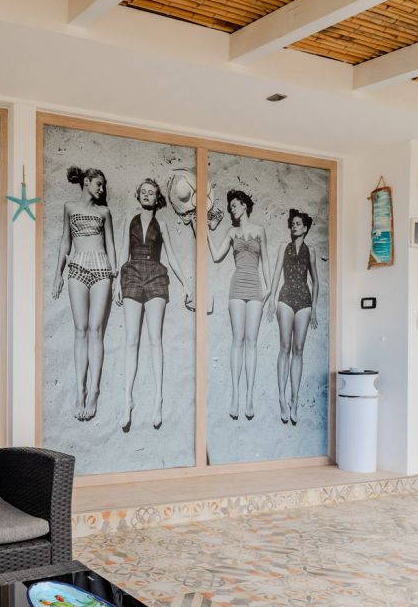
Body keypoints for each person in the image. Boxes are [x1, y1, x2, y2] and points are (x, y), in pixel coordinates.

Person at [115, 179, 193, 432]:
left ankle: (158, 398)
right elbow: (123, 251)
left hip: (156, 276)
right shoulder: (130, 219)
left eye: (151, 192)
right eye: (144, 192)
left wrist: (187, 285)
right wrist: (117, 283)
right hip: (132, 274)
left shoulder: (163, 224)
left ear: (157, 198)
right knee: (131, 340)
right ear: (138, 195)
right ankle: (127, 400)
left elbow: (172, 256)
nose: (147, 195)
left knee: (154, 339)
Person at [52, 166, 116, 421]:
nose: (101, 189)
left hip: (101, 267)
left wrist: (115, 275)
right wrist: (57, 273)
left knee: (95, 330)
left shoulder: (104, 212)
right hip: (77, 266)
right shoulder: (69, 207)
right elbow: (65, 241)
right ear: (86, 182)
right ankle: (81, 390)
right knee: (80, 330)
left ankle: (94, 390)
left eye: (103, 185)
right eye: (98, 184)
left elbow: (110, 245)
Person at [207, 188, 269, 421]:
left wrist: (269, 288)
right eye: (230, 206)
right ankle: (235, 395)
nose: (232, 209)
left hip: (255, 285)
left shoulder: (259, 230)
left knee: (252, 341)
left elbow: (266, 261)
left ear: (244, 205)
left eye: (234, 205)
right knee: (238, 340)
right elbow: (216, 255)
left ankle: (249, 396)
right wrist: (204, 231)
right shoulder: (232, 232)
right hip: (237, 285)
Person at [267, 209, 320, 425]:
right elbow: (276, 272)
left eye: (298, 224)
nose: (294, 226)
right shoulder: (284, 247)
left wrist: (314, 307)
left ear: (305, 228)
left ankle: (294, 400)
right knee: (285, 347)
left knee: (299, 349)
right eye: (292, 224)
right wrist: (272, 298)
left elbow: (315, 281)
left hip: (304, 301)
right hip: (286, 297)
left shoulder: (311, 251)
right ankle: (282, 397)